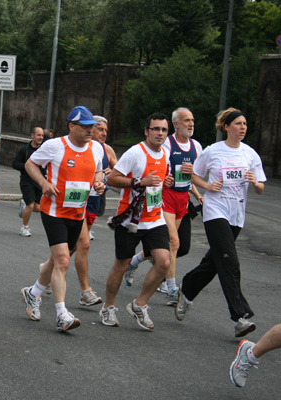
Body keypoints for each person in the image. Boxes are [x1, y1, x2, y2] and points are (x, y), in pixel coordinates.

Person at [176, 108, 266, 338]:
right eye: (238, 123)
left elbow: (260, 188)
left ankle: (187, 288)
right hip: (215, 211)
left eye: (245, 123)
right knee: (229, 260)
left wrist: (255, 182)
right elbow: (194, 175)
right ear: (226, 127)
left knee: (215, 261)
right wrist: (207, 187)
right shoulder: (213, 151)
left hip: (237, 213)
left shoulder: (250, 154)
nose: (243, 127)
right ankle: (239, 317)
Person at [20, 106, 105, 332]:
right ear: (71, 126)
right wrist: (44, 184)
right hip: (54, 212)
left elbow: (99, 170)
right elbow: (30, 164)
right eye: (85, 127)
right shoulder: (55, 145)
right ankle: (62, 314)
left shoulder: (96, 148)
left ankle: (33, 293)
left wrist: (99, 182)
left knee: (57, 259)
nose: (90, 131)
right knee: (63, 261)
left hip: (77, 213)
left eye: (91, 127)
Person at [101, 112, 174, 330]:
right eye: (156, 129)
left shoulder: (166, 153)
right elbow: (112, 178)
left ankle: (139, 304)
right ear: (146, 131)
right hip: (130, 220)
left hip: (155, 217)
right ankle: (108, 306)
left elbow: (158, 182)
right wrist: (139, 181)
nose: (160, 133)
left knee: (164, 261)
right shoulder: (135, 153)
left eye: (163, 130)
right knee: (121, 265)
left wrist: (165, 182)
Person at [124, 107, 204, 305]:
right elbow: (160, 166)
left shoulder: (197, 147)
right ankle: (171, 290)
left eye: (192, 120)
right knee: (174, 243)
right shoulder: (168, 143)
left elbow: (193, 174)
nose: (191, 124)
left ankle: (135, 261)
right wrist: (163, 180)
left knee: (176, 247)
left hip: (183, 199)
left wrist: (197, 193)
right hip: (166, 197)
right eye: (187, 120)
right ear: (176, 124)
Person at [69, 115, 117, 308]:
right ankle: (85, 291)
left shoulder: (107, 150)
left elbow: (121, 173)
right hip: (76, 201)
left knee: (72, 246)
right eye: (99, 129)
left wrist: (109, 173)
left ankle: (45, 276)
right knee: (84, 244)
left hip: (93, 200)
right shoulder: (77, 147)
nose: (103, 133)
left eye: (105, 130)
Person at [12, 127, 45, 237]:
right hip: (27, 181)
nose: (41, 137)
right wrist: (27, 167)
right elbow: (15, 164)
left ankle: (24, 205)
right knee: (31, 205)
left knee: (39, 208)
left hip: (40, 181)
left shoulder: (44, 150)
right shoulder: (24, 150)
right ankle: (25, 227)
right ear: (32, 136)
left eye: (42, 135)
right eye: (38, 135)